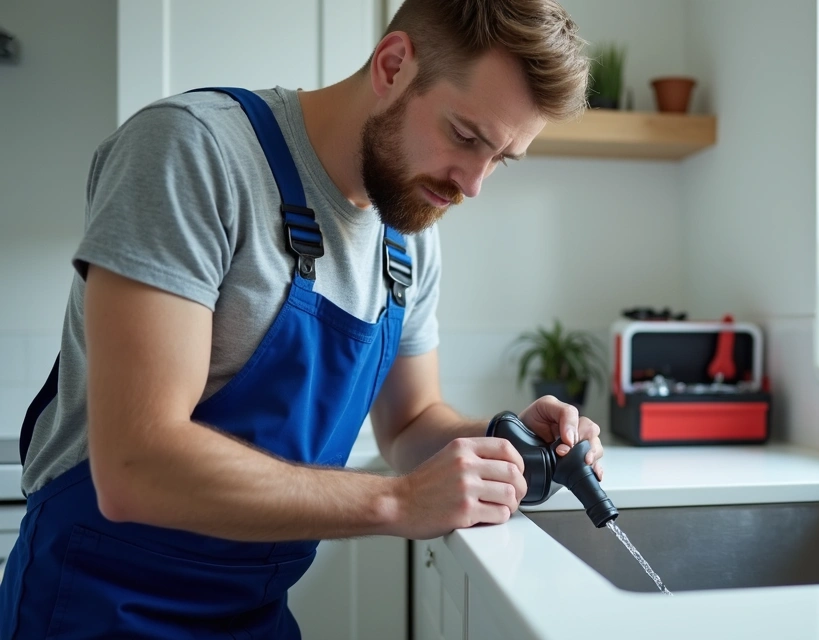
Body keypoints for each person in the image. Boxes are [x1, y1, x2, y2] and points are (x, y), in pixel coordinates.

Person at [0, 0, 602, 637]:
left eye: (501, 158)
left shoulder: (409, 235)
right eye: (465, 135)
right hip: (96, 606)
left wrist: (504, 441)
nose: (473, 185)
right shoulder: (193, 151)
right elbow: (134, 466)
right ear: (393, 64)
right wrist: (397, 500)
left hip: (253, 616)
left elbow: (412, 422)